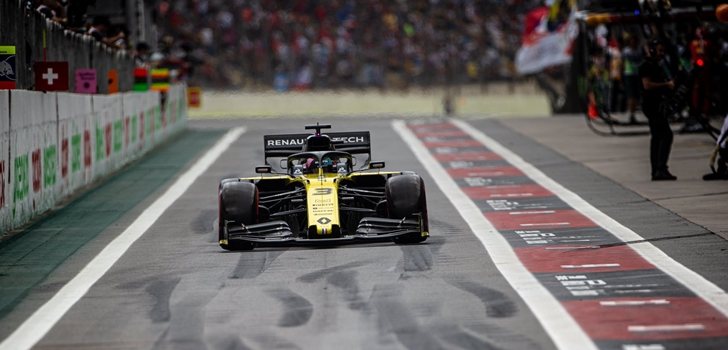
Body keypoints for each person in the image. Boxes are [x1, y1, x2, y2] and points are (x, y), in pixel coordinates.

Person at [640, 39, 677, 181]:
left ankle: (657, 169)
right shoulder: (646, 66)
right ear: (652, 50)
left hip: (657, 104)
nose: (662, 53)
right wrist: (666, 84)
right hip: (652, 105)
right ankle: (660, 168)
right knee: (666, 135)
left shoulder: (657, 65)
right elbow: (647, 85)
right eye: (659, 50)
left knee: (657, 136)